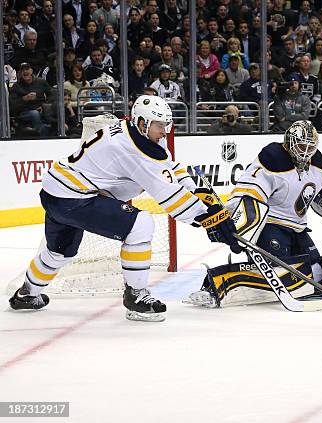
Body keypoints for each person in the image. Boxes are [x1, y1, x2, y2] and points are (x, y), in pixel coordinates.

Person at [8, 95, 240, 322]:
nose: (165, 131)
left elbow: (171, 167)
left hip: (57, 192)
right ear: (143, 123)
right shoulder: (134, 152)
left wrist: (198, 191)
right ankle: (136, 297)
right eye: (160, 125)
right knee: (140, 225)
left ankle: (27, 294)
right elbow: (172, 199)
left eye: (167, 124)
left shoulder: (132, 133)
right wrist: (211, 221)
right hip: (74, 199)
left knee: (60, 251)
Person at [187, 120, 322, 308]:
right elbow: (248, 193)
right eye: (302, 146)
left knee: (317, 272)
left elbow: (317, 183)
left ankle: (287, 282)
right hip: (270, 225)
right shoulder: (273, 158)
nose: (306, 153)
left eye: (311, 147)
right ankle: (219, 285)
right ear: (290, 143)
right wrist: (237, 226)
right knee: (280, 269)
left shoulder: (316, 160)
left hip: (298, 227)